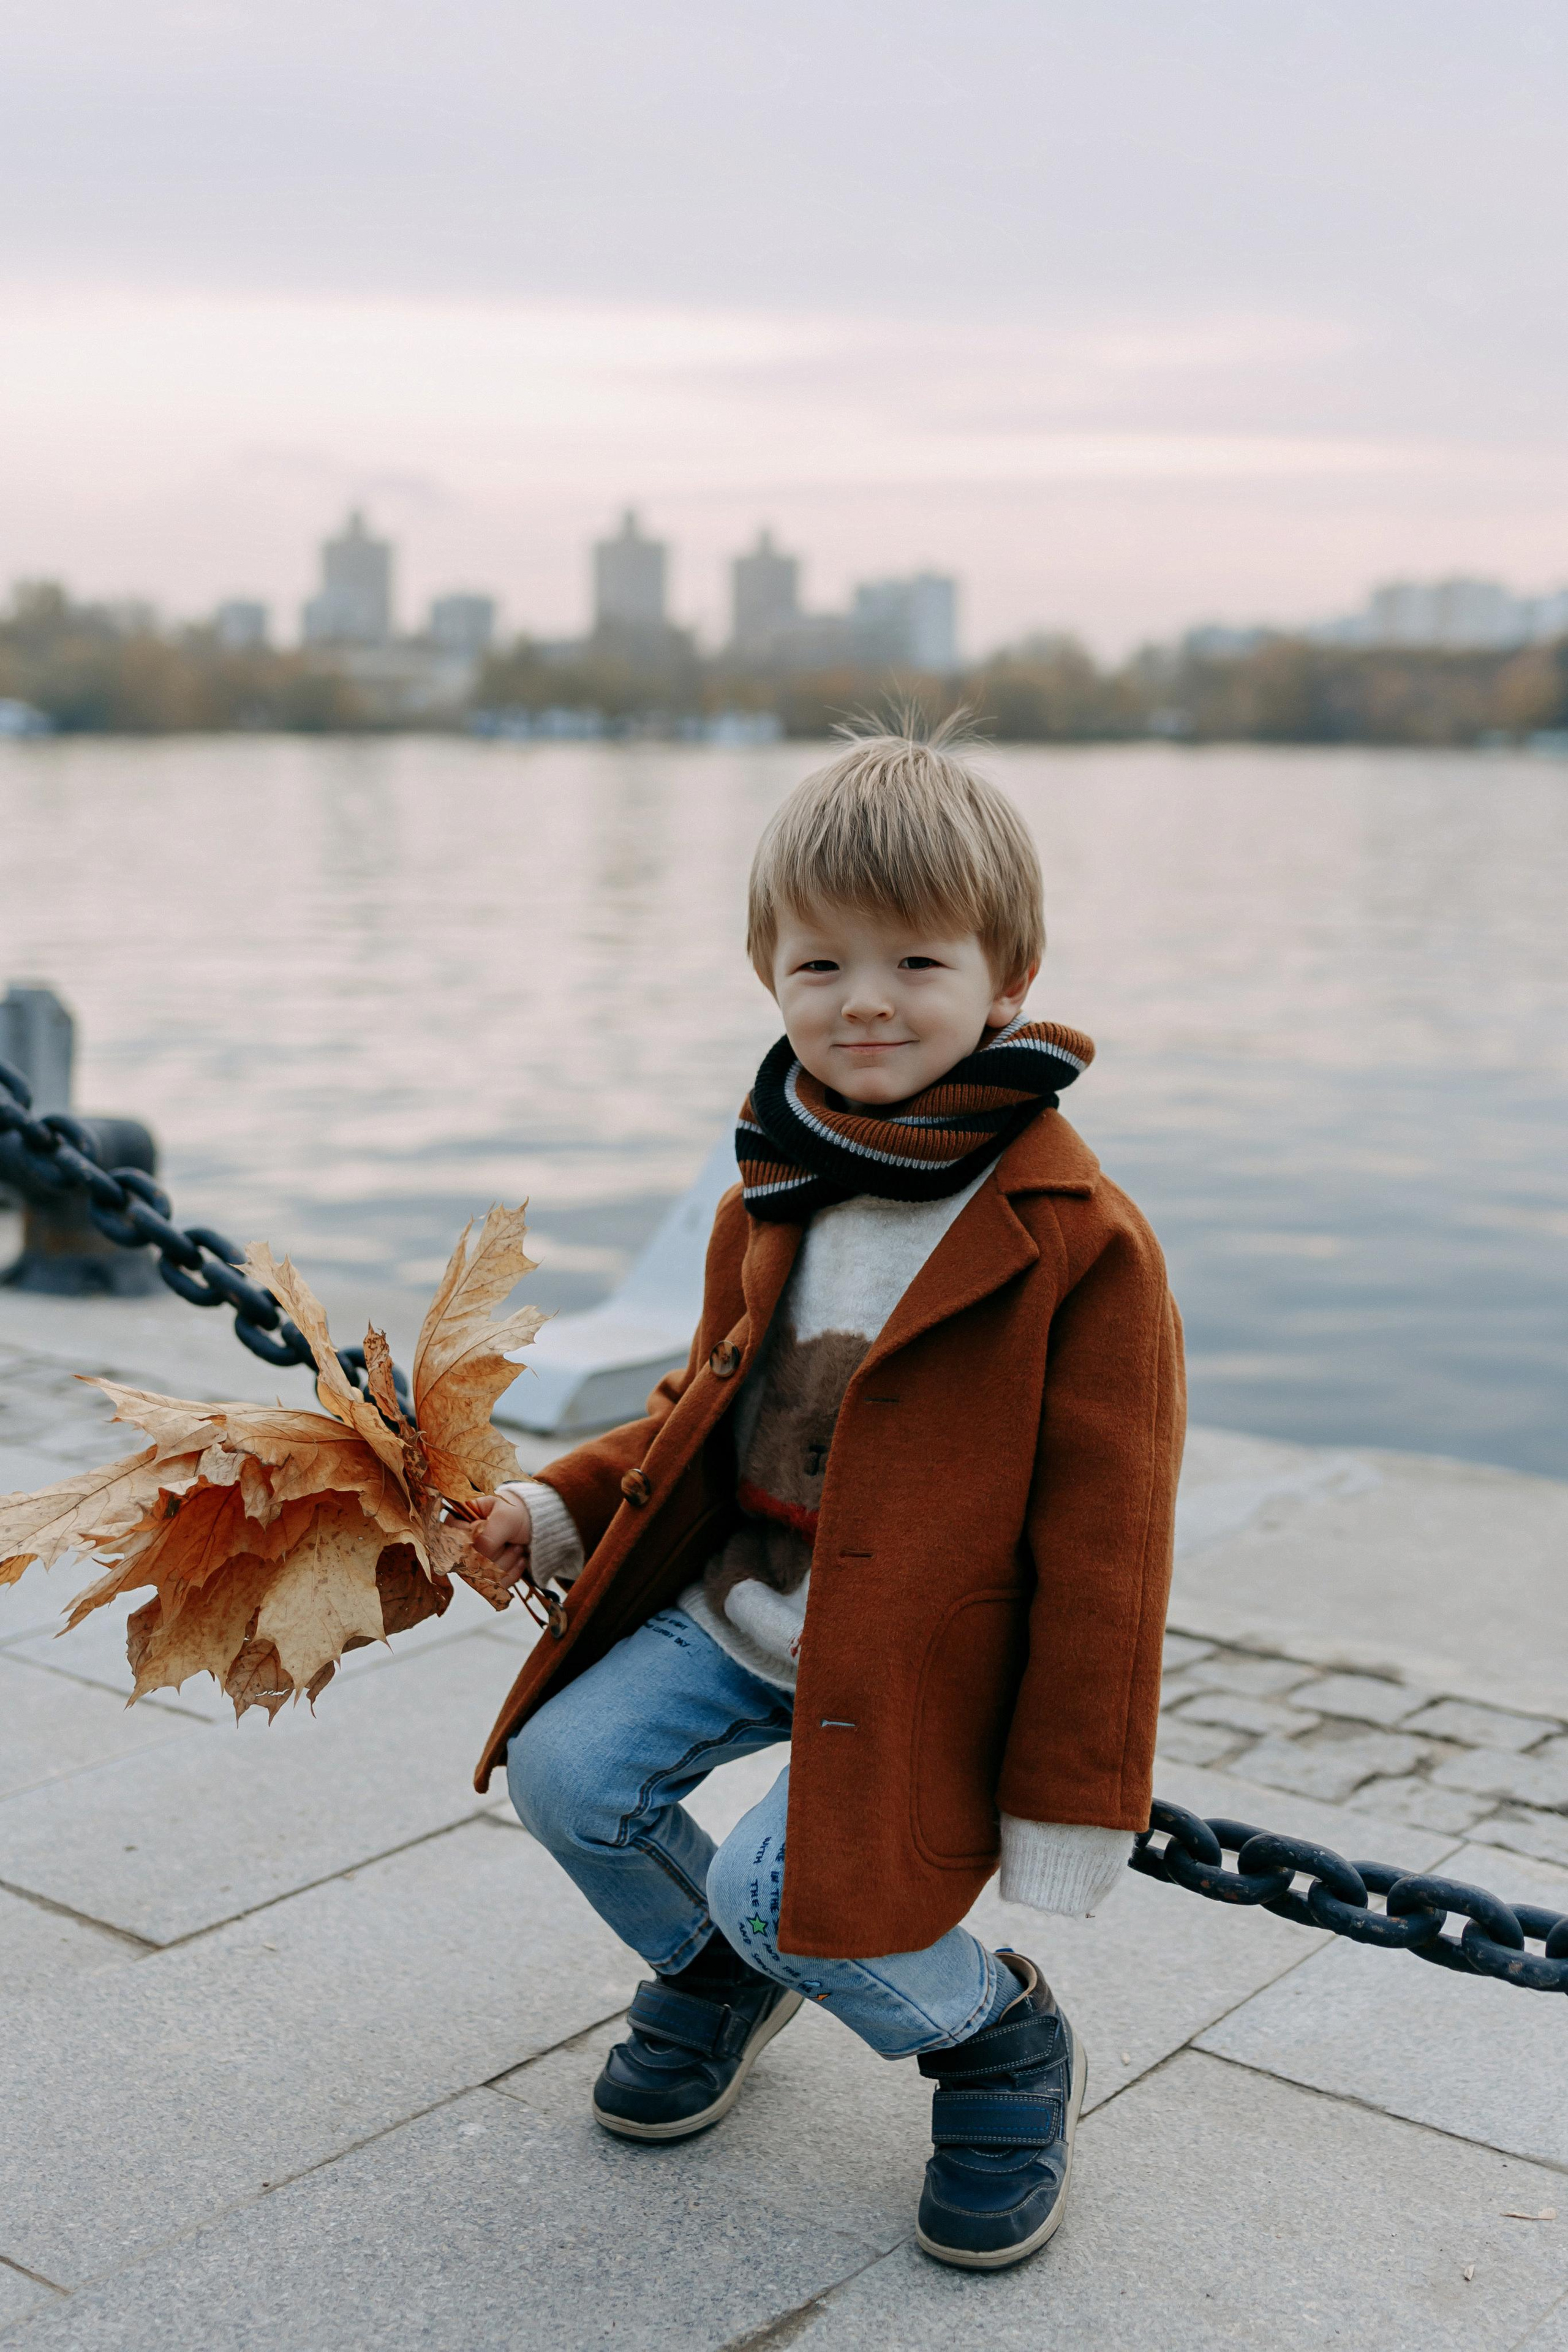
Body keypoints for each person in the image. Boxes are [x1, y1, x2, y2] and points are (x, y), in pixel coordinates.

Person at [469, 725, 1184, 2271]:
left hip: (921, 1649)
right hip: (747, 1604)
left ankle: (990, 2034)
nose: (864, 1000)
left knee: (785, 1880)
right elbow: (701, 1409)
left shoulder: (1076, 1236)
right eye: (819, 967)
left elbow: (1108, 1542)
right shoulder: (771, 1186)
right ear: (765, 975)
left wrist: (1072, 1792)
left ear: (1007, 976)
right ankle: (719, 1974)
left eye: (916, 961)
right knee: (566, 1769)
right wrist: (547, 1512)